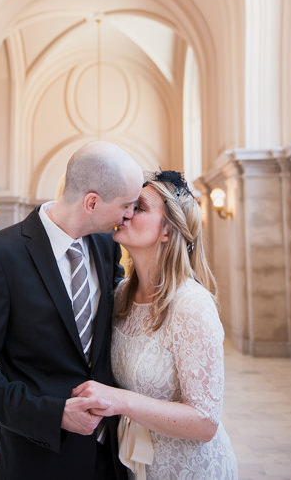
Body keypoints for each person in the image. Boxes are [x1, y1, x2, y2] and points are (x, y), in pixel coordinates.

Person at [0, 141, 144, 479]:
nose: (130, 215)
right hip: (37, 458)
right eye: (127, 205)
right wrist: (53, 415)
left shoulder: (105, 246)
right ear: (92, 201)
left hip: (110, 457)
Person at [72, 170, 237, 479]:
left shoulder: (192, 305)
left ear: (167, 230)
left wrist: (120, 400)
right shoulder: (120, 296)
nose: (127, 213)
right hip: (136, 465)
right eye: (129, 205)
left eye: (140, 208)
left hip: (188, 468)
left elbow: (205, 422)